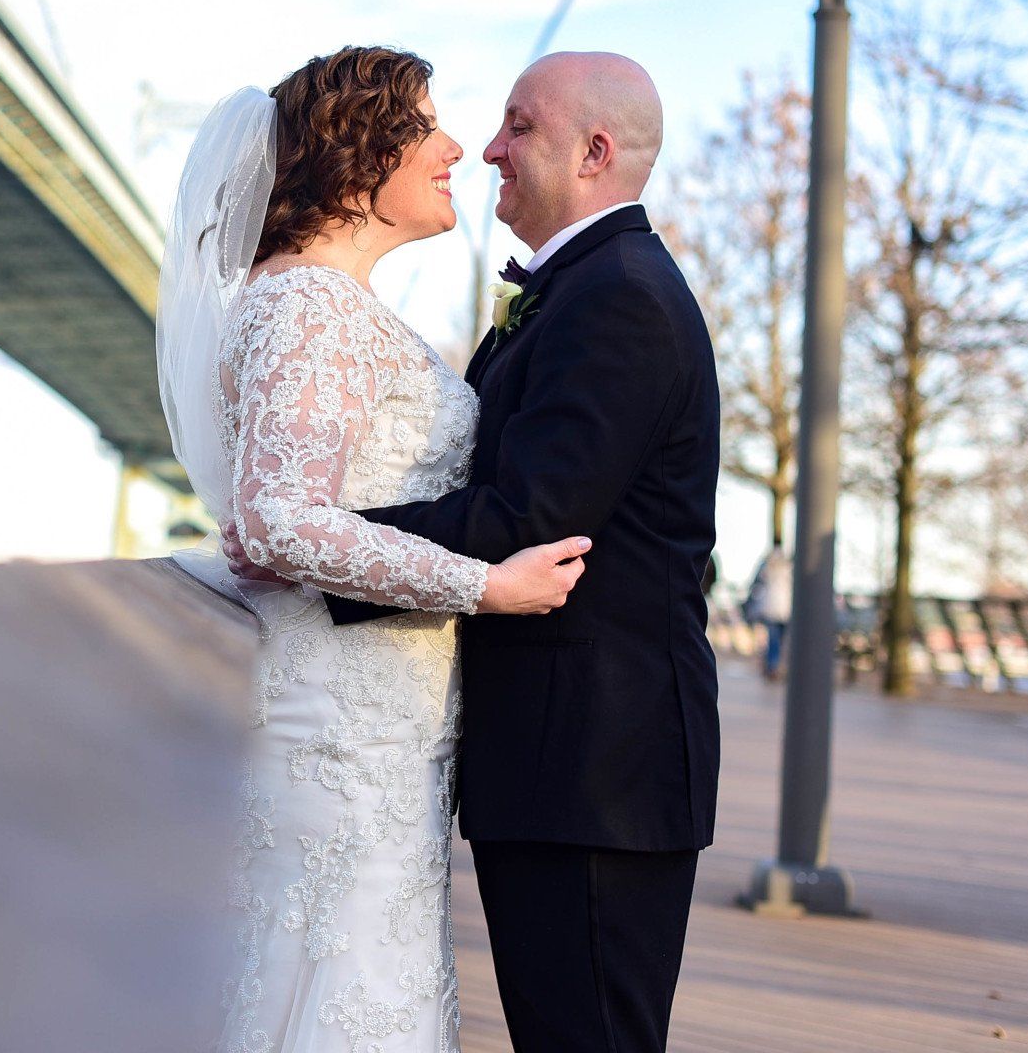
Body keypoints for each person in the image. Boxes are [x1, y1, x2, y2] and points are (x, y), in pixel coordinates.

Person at [222, 51, 720, 1053]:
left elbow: (532, 512)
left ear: (594, 151)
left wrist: (315, 543)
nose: (484, 147)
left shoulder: (616, 294)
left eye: (516, 126)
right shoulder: (585, 287)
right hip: (533, 764)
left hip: (591, 770)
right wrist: (305, 531)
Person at [155, 47, 591, 1053]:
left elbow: (286, 517)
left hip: (383, 721)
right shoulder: (308, 305)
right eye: (426, 123)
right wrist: (485, 583)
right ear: (358, 156)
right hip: (343, 725)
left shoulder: (320, 303)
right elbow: (277, 519)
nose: (454, 149)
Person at [745, 542, 794, 680]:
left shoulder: (766, 568)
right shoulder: (789, 568)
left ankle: (772, 666)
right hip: (783, 610)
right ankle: (773, 666)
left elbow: (755, 585)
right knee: (778, 640)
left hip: (772, 609)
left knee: (774, 639)